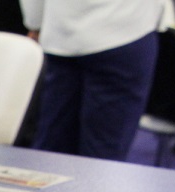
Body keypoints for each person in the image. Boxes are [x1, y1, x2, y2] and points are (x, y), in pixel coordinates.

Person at [21, 0, 166, 160]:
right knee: (103, 158)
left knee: (53, 154)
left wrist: (35, 22)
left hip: (60, 36)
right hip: (124, 33)